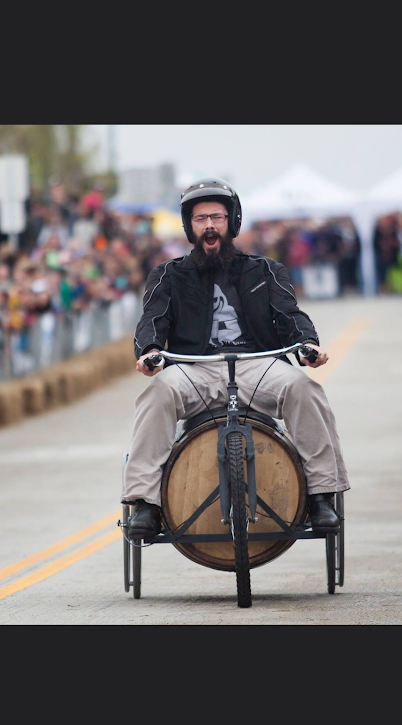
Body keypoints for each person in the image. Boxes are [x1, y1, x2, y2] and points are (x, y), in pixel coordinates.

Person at [122, 179, 349, 538]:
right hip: (195, 369)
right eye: (200, 219)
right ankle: (145, 504)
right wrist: (149, 352)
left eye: (216, 217)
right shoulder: (167, 275)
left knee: (305, 389)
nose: (209, 226)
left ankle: (321, 495)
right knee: (157, 393)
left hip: (258, 365)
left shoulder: (266, 270)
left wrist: (308, 345)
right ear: (188, 226)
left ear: (233, 221)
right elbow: (151, 320)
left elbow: (291, 315)